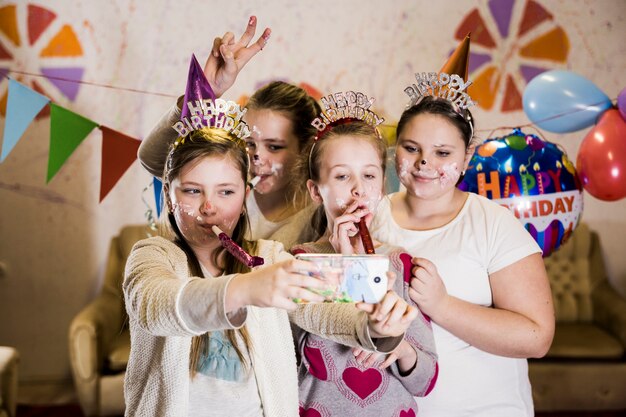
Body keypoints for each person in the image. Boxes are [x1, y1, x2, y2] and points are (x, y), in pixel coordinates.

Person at [123, 125, 417, 416]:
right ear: (169, 197)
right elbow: (155, 306)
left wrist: (374, 328)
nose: (209, 207)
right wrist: (247, 288)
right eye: (191, 191)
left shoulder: (269, 256)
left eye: (226, 191)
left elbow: (320, 311)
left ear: (244, 199)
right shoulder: (151, 256)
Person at [369, 95, 555, 417]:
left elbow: (536, 336)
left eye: (442, 153)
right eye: (411, 148)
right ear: (394, 149)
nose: (424, 162)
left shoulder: (492, 223)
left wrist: (441, 305)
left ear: (467, 156)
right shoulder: (370, 217)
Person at [290, 110, 439, 416]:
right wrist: (349, 264)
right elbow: (303, 358)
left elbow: (426, 381)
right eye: (342, 176)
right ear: (315, 191)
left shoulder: (401, 264)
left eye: (369, 175)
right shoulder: (299, 262)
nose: (358, 189)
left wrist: (402, 349)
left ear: (382, 186)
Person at [138, 16, 320, 250]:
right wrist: (204, 97)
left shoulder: (322, 212)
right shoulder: (228, 188)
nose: (257, 157)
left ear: (306, 148)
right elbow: (152, 160)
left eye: (274, 146)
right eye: (250, 143)